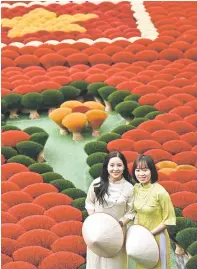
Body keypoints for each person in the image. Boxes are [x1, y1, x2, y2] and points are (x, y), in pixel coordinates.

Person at [85, 151, 135, 269]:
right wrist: (94, 218)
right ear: (106, 167)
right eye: (112, 165)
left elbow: (131, 212)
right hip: (96, 232)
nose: (115, 169)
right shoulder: (97, 183)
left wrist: (120, 224)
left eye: (119, 165)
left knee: (115, 264)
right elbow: (89, 203)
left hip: (117, 233)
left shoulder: (130, 188)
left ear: (124, 167)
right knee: (96, 263)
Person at [131, 154, 176, 269]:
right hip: (141, 238)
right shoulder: (136, 188)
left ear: (152, 171)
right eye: (138, 170)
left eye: (145, 170)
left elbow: (168, 220)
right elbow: (136, 213)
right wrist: (137, 232)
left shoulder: (161, 192)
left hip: (157, 237)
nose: (141, 174)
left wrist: (149, 235)